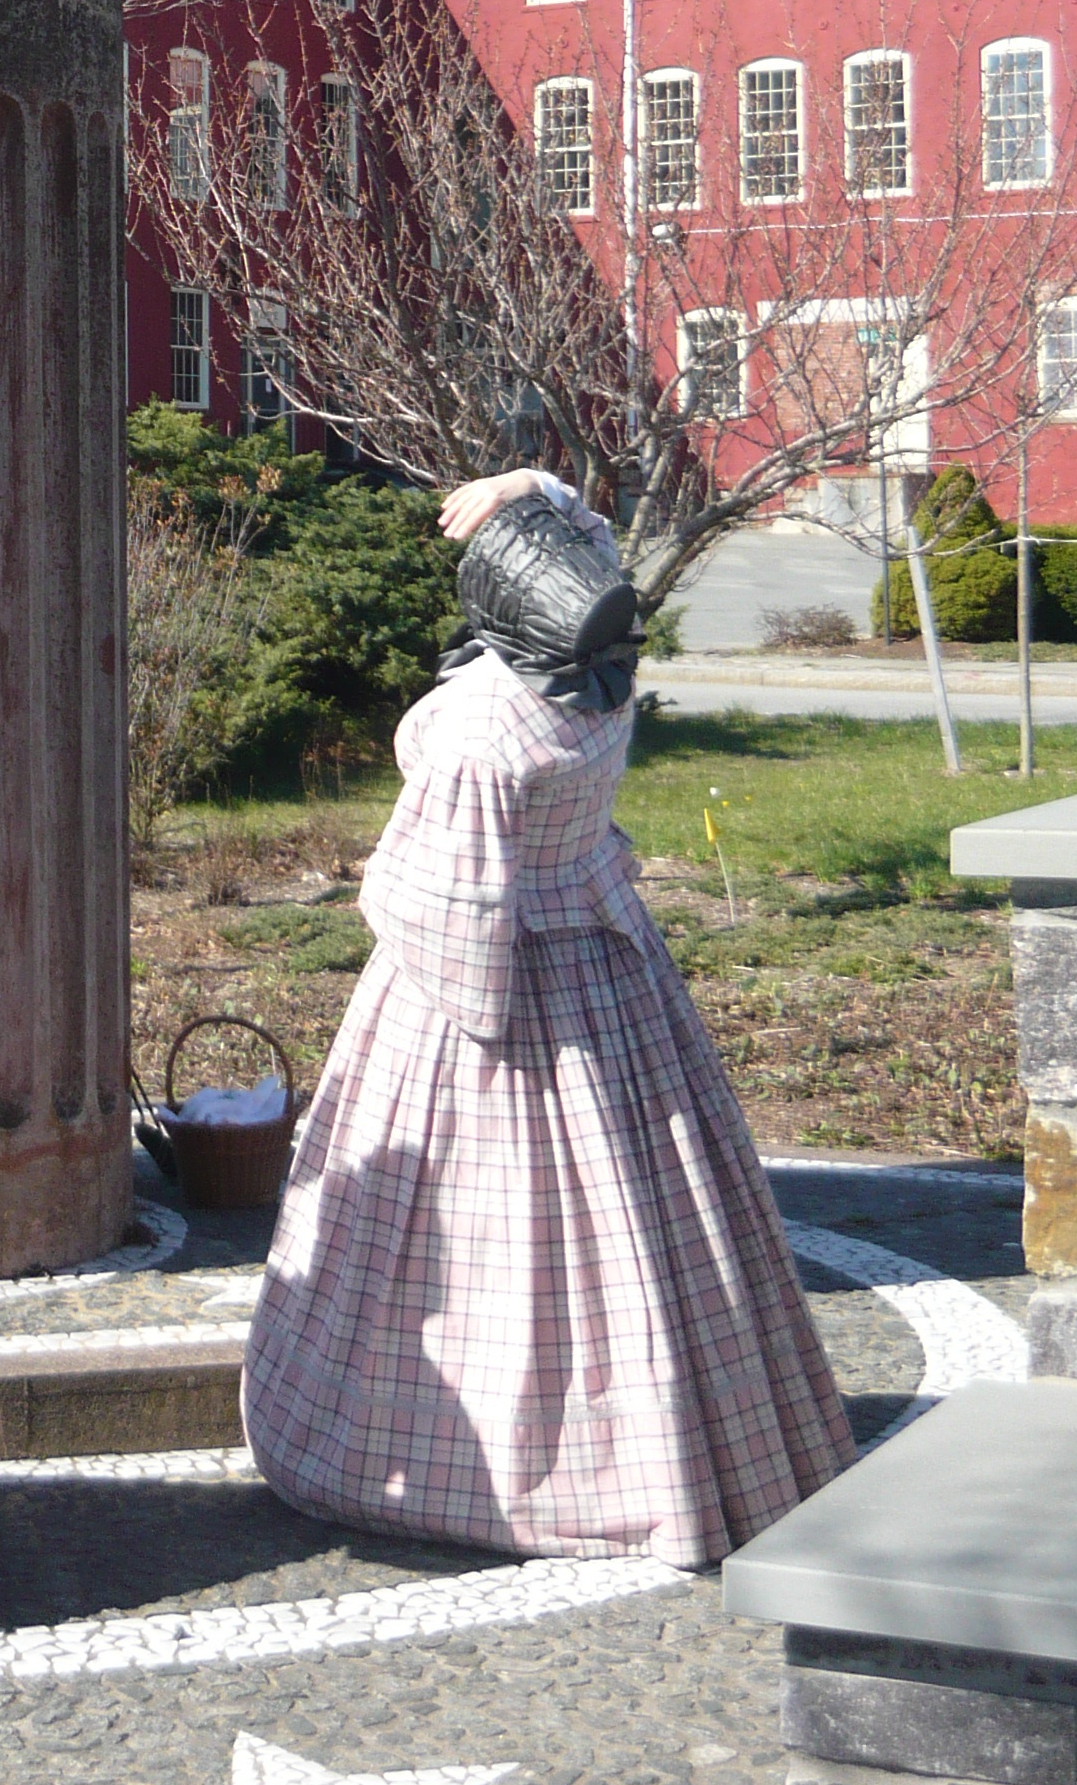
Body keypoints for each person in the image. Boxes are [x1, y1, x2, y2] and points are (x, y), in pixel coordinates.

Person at [241, 466, 851, 1570]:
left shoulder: (484, 728)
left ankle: (518, 1471)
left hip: (501, 1000)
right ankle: (686, 1438)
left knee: (476, 1249)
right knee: (641, 1225)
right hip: (608, 972)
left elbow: (454, 929)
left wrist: (376, 889)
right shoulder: (603, 674)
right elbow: (594, 552)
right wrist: (536, 488)